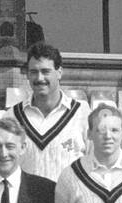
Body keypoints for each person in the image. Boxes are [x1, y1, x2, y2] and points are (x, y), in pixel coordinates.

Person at [10, 42, 89, 181]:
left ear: (59, 72)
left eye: (45, 71)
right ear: (27, 75)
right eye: (34, 72)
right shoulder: (12, 117)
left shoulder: (82, 113)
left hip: (69, 200)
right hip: (25, 201)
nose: (40, 78)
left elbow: (96, 164)